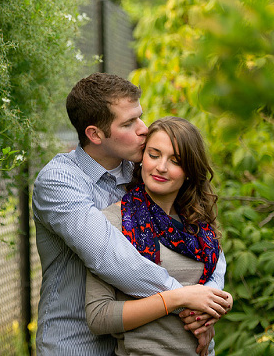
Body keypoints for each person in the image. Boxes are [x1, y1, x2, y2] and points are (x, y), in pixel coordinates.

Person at [33, 73, 231, 356]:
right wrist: (187, 301)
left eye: (140, 116)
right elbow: (111, 258)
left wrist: (207, 305)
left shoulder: (141, 173)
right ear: (95, 134)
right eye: (128, 123)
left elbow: (204, 241)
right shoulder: (60, 182)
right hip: (76, 343)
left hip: (135, 344)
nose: (143, 129)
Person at [84, 116, 231, 356]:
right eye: (154, 155)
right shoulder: (112, 222)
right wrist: (178, 299)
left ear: (190, 171)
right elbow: (99, 316)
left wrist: (219, 306)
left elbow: (211, 289)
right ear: (141, 159)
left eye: (175, 161)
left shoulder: (199, 225)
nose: (161, 167)